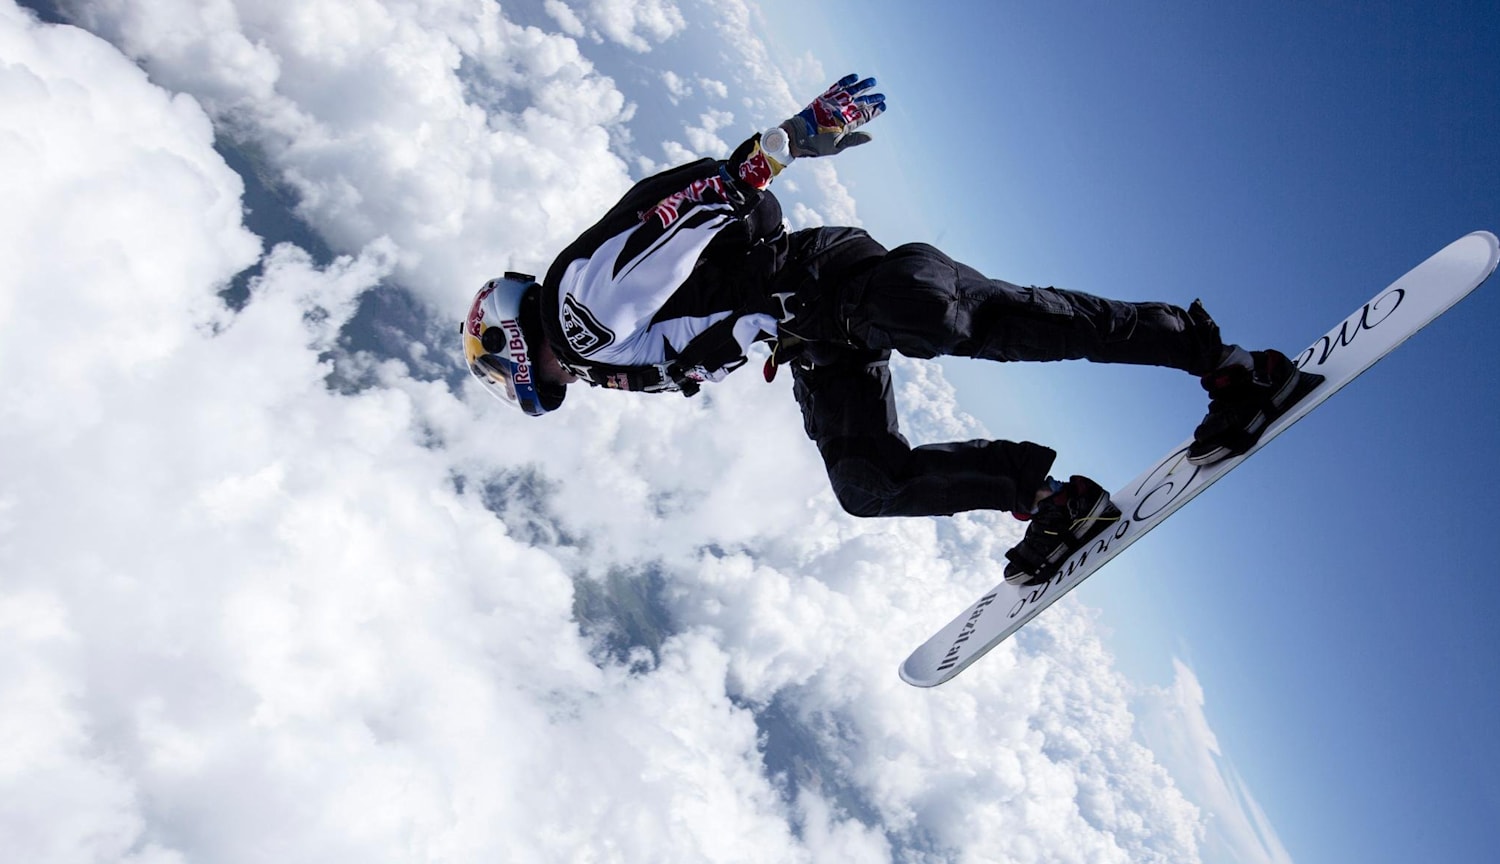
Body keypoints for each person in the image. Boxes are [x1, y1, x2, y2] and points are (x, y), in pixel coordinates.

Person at [462, 74, 1305, 586]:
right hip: (810, 335)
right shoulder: (591, 344)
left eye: (497, 371)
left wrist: (786, 143)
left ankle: (1228, 365)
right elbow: (694, 319)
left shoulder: (580, 319)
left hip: (826, 281)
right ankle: (1052, 502)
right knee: (867, 483)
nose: (512, 385)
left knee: (950, 316)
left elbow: (675, 216)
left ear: (510, 340)